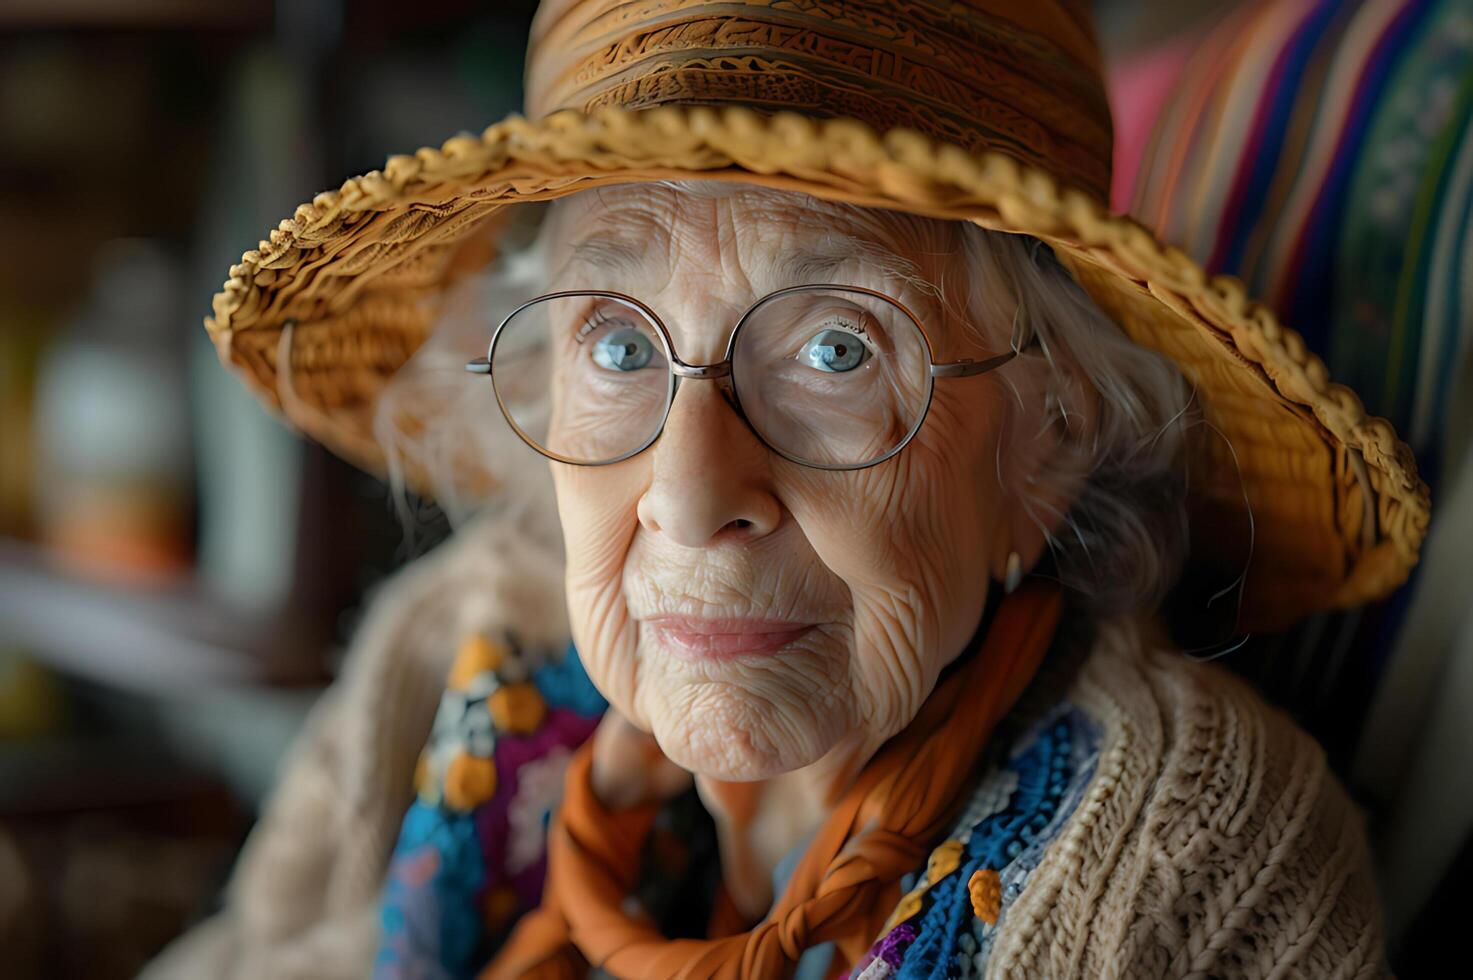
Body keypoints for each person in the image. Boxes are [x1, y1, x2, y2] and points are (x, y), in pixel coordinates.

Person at [151, 1, 1429, 977]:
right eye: (616, 343)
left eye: (837, 348)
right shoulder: (468, 641)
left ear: (1045, 443)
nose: (692, 492)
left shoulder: (1190, 852)